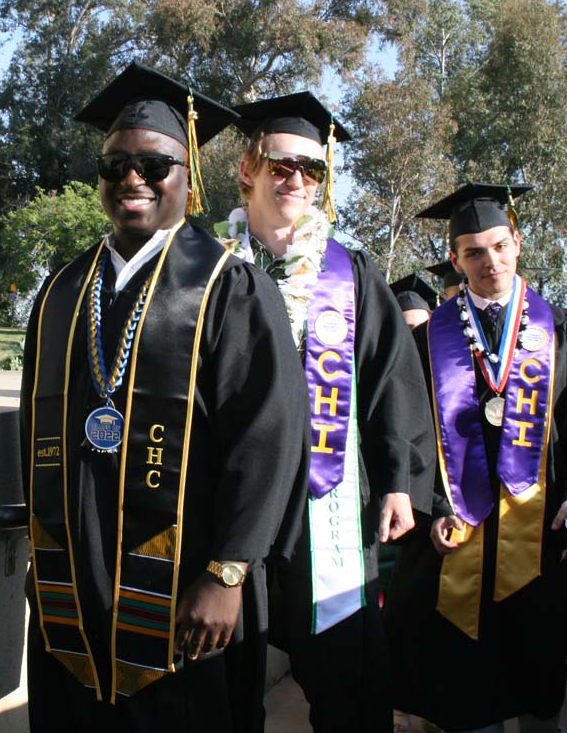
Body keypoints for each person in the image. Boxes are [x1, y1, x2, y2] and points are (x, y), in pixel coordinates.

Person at [19, 63, 308, 732]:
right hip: (76, 594)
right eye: (115, 164)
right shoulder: (62, 291)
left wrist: (229, 572)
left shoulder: (230, 288)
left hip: (189, 591)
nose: (132, 179)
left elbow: (269, 436)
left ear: (189, 176)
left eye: (154, 165)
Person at [214, 92, 435, 733]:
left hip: (328, 505)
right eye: (282, 165)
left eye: (312, 170)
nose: (297, 181)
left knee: (349, 683)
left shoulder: (351, 271)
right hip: (232, 505)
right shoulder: (207, 266)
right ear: (248, 170)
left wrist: (398, 479)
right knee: (225, 682)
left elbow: (392, 379)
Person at [385, 183, 567, 733]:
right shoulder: (427, 340)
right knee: (463, 690)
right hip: (452, 541)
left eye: (498, 246)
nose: (488, 261)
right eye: (473, 252)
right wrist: (432, 505)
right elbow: (405, 431)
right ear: (455, 259)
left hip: (539, 540)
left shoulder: (560, 329)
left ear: (517, 243)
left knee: (537, 682)